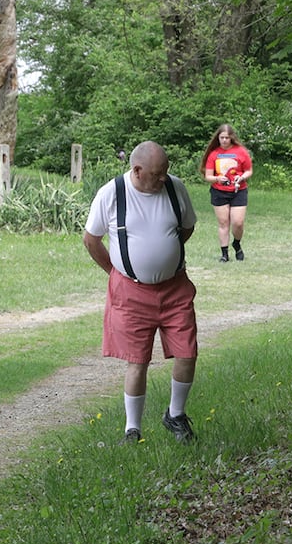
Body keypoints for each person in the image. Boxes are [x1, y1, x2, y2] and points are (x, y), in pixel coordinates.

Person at [82, 141, 199, 444]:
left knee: (187, 353)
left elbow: (186, 228)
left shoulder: (175, 188)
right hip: (131, 293)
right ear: (137, 170)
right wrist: (116, 271)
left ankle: (175, 415)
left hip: (175, 288)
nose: (163, 179)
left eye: (166, 172)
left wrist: (164, 253)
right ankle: (132, 429)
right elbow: (91, 240)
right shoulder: (112, 193)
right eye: (157, 174)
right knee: (137, 361)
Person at [201, 124, 254, 262]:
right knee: (223, 223)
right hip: (219, 192)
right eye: (221, 138)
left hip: (238, 190)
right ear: (218, 138)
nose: (224, 140)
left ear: (231, 138)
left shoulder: (241, 151)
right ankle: (224, 254)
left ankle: (236, 243)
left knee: (238, 223)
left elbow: (249, 170)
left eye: (227, 138)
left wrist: (241, 177)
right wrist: (217, 178)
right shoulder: (214, 154)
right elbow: (208, 176)